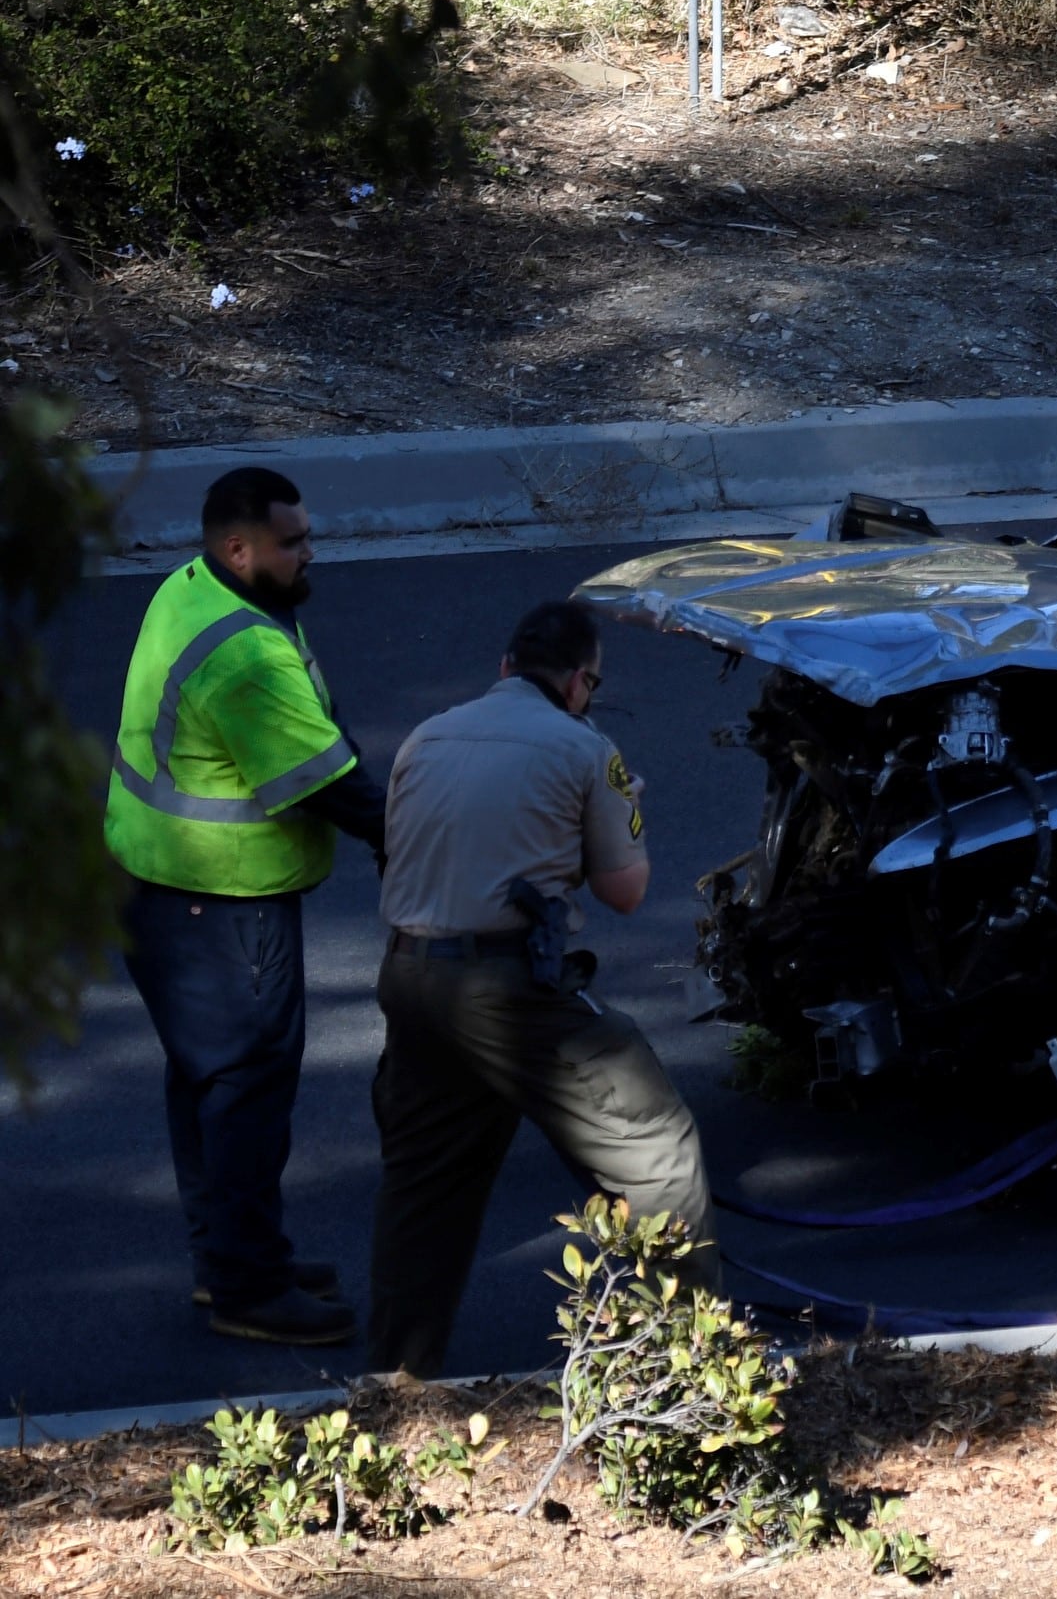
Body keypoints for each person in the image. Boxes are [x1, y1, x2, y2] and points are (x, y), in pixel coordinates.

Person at [363, 599, 715, 1379]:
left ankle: (395, 1380)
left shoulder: (425, 737)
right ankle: (696, 1374)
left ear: (505, 669)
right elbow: (626, 891)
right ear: (582, 681)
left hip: (411, 978)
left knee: (426, 1185)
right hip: (508, 988)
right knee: (657, 1151)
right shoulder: (584, 747)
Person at [106, 466, 386, 1345]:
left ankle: (231, 1255)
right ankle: (247, 1289)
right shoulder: (245, 655)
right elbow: (333, 786)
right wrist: (425, 838)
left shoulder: (190, 590)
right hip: (223, 906)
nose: (311, 553)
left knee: (207, 1085)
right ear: (239, 548)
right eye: (293, 542)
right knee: (246, 1093)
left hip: (155, 888)